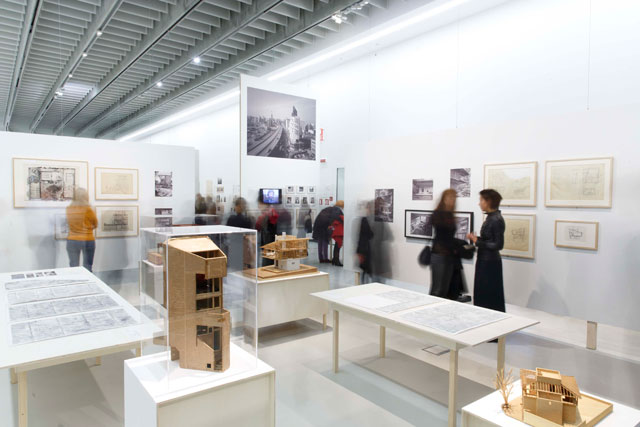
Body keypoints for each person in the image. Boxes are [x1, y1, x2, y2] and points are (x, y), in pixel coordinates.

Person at [467, 189, 506, 313]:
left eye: (481, 200)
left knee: (487, 294)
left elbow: (498, 244)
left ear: (488, 202)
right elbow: (489, 240)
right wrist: (476, 239)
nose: (479, 203)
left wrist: (477, 241)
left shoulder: (495, 220)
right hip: (486, 260)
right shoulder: (492, 218)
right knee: (484, 293)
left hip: (489, 263)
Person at [430, 189, 464, 300]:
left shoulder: (450, 215)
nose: (452, 200)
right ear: (443, 199)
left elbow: (449, 236)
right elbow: (442, 236)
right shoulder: (437, 214)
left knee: (446, 289)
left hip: (449, 255)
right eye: (449, 197)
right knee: (437, 289)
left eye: (454, 198)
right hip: (439, 254)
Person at [65, 188, 98, 272]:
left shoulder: (69, 209)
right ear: (86, 197)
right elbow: (95, 224)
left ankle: (76, 284)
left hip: (72, 240)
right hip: (87, 239)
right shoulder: (88, 209)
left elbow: (68, 223)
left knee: (74, 266)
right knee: (87, 266)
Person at [356, 201, 374, 283]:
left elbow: (363, 236)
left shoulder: (365, 220)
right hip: (366, 250)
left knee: (366, 272)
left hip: (367, 250)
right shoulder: (365, 220)